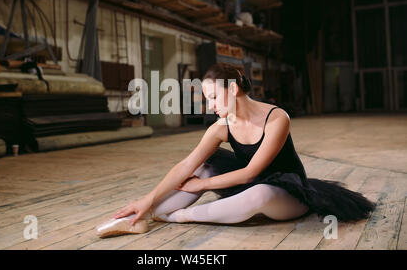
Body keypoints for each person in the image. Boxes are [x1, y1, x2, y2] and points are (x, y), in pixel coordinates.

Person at [96, 63, 376, 238]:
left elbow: (251, 173)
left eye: (214, 97)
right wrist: (147, 199)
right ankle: (140, 217)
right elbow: (185, 165)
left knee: (258, 192)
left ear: (233, 88)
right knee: (201, 165)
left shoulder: (278, 118)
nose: (211, 106)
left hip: (285, 192)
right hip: (250, 184)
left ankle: (177, 216)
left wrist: (202, 186)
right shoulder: (221, 126)